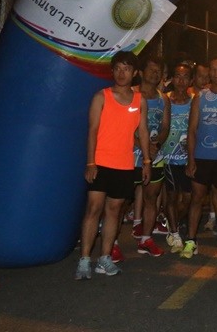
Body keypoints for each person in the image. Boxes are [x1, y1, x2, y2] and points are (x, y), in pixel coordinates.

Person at [77, 51, 151, 280]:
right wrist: (90, 162)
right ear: (112, 71)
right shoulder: (101, 96)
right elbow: (92, 130)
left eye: (126, 69)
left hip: (124, 164)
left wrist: (147, 161)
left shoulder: (140, 100)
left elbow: (143, 132)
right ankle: (84, 260)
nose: (121, 73)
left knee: (114, 211)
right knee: (93, 209)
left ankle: (105, 258)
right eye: (118, 68)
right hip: (100, 162)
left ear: (134, 73)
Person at [181, 58, 217, 261]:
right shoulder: (201, 97)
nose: (216, 73)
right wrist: (191, 159)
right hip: (202, 156)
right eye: (212, 70)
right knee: (197, 198)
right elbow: (192, 130)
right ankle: (191, 240)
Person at [134, 55, 170, 258]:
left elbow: (165, 127)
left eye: (158, 71)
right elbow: (123, 127)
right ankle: (112, 244)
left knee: (152, 198)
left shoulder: (163, 98)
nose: (155, 74)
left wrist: (155, 145)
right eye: (151, 70)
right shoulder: (131, 94)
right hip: (130, 155)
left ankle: (146, 239)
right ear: (141, 72)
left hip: (156, 156)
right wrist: (142, 145)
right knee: (120, 201)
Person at [160, 62, 193, 253]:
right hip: (168, 158)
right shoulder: (164, 100)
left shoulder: (195, 101)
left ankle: (172, 222)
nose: (181, 81)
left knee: (188, 198)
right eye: (178, 76)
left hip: (188, 159)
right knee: (171, 196)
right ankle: (174, 232)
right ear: (172, 78)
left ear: (191, 80)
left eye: (185, 76)